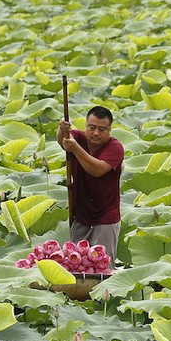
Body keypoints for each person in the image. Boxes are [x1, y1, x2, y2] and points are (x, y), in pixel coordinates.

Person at [56, 106, 124, 259]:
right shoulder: (79, 138)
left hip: (106, 217)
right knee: (74, 262)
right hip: (81, 214)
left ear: (110, 130)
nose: (96, 133)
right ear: (85, 125)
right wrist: (62, 129)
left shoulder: (115, 148)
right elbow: (63, 140)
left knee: (102, 265)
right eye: (92, 127)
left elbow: (97, 169)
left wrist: (76, 149)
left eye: (102, 129)